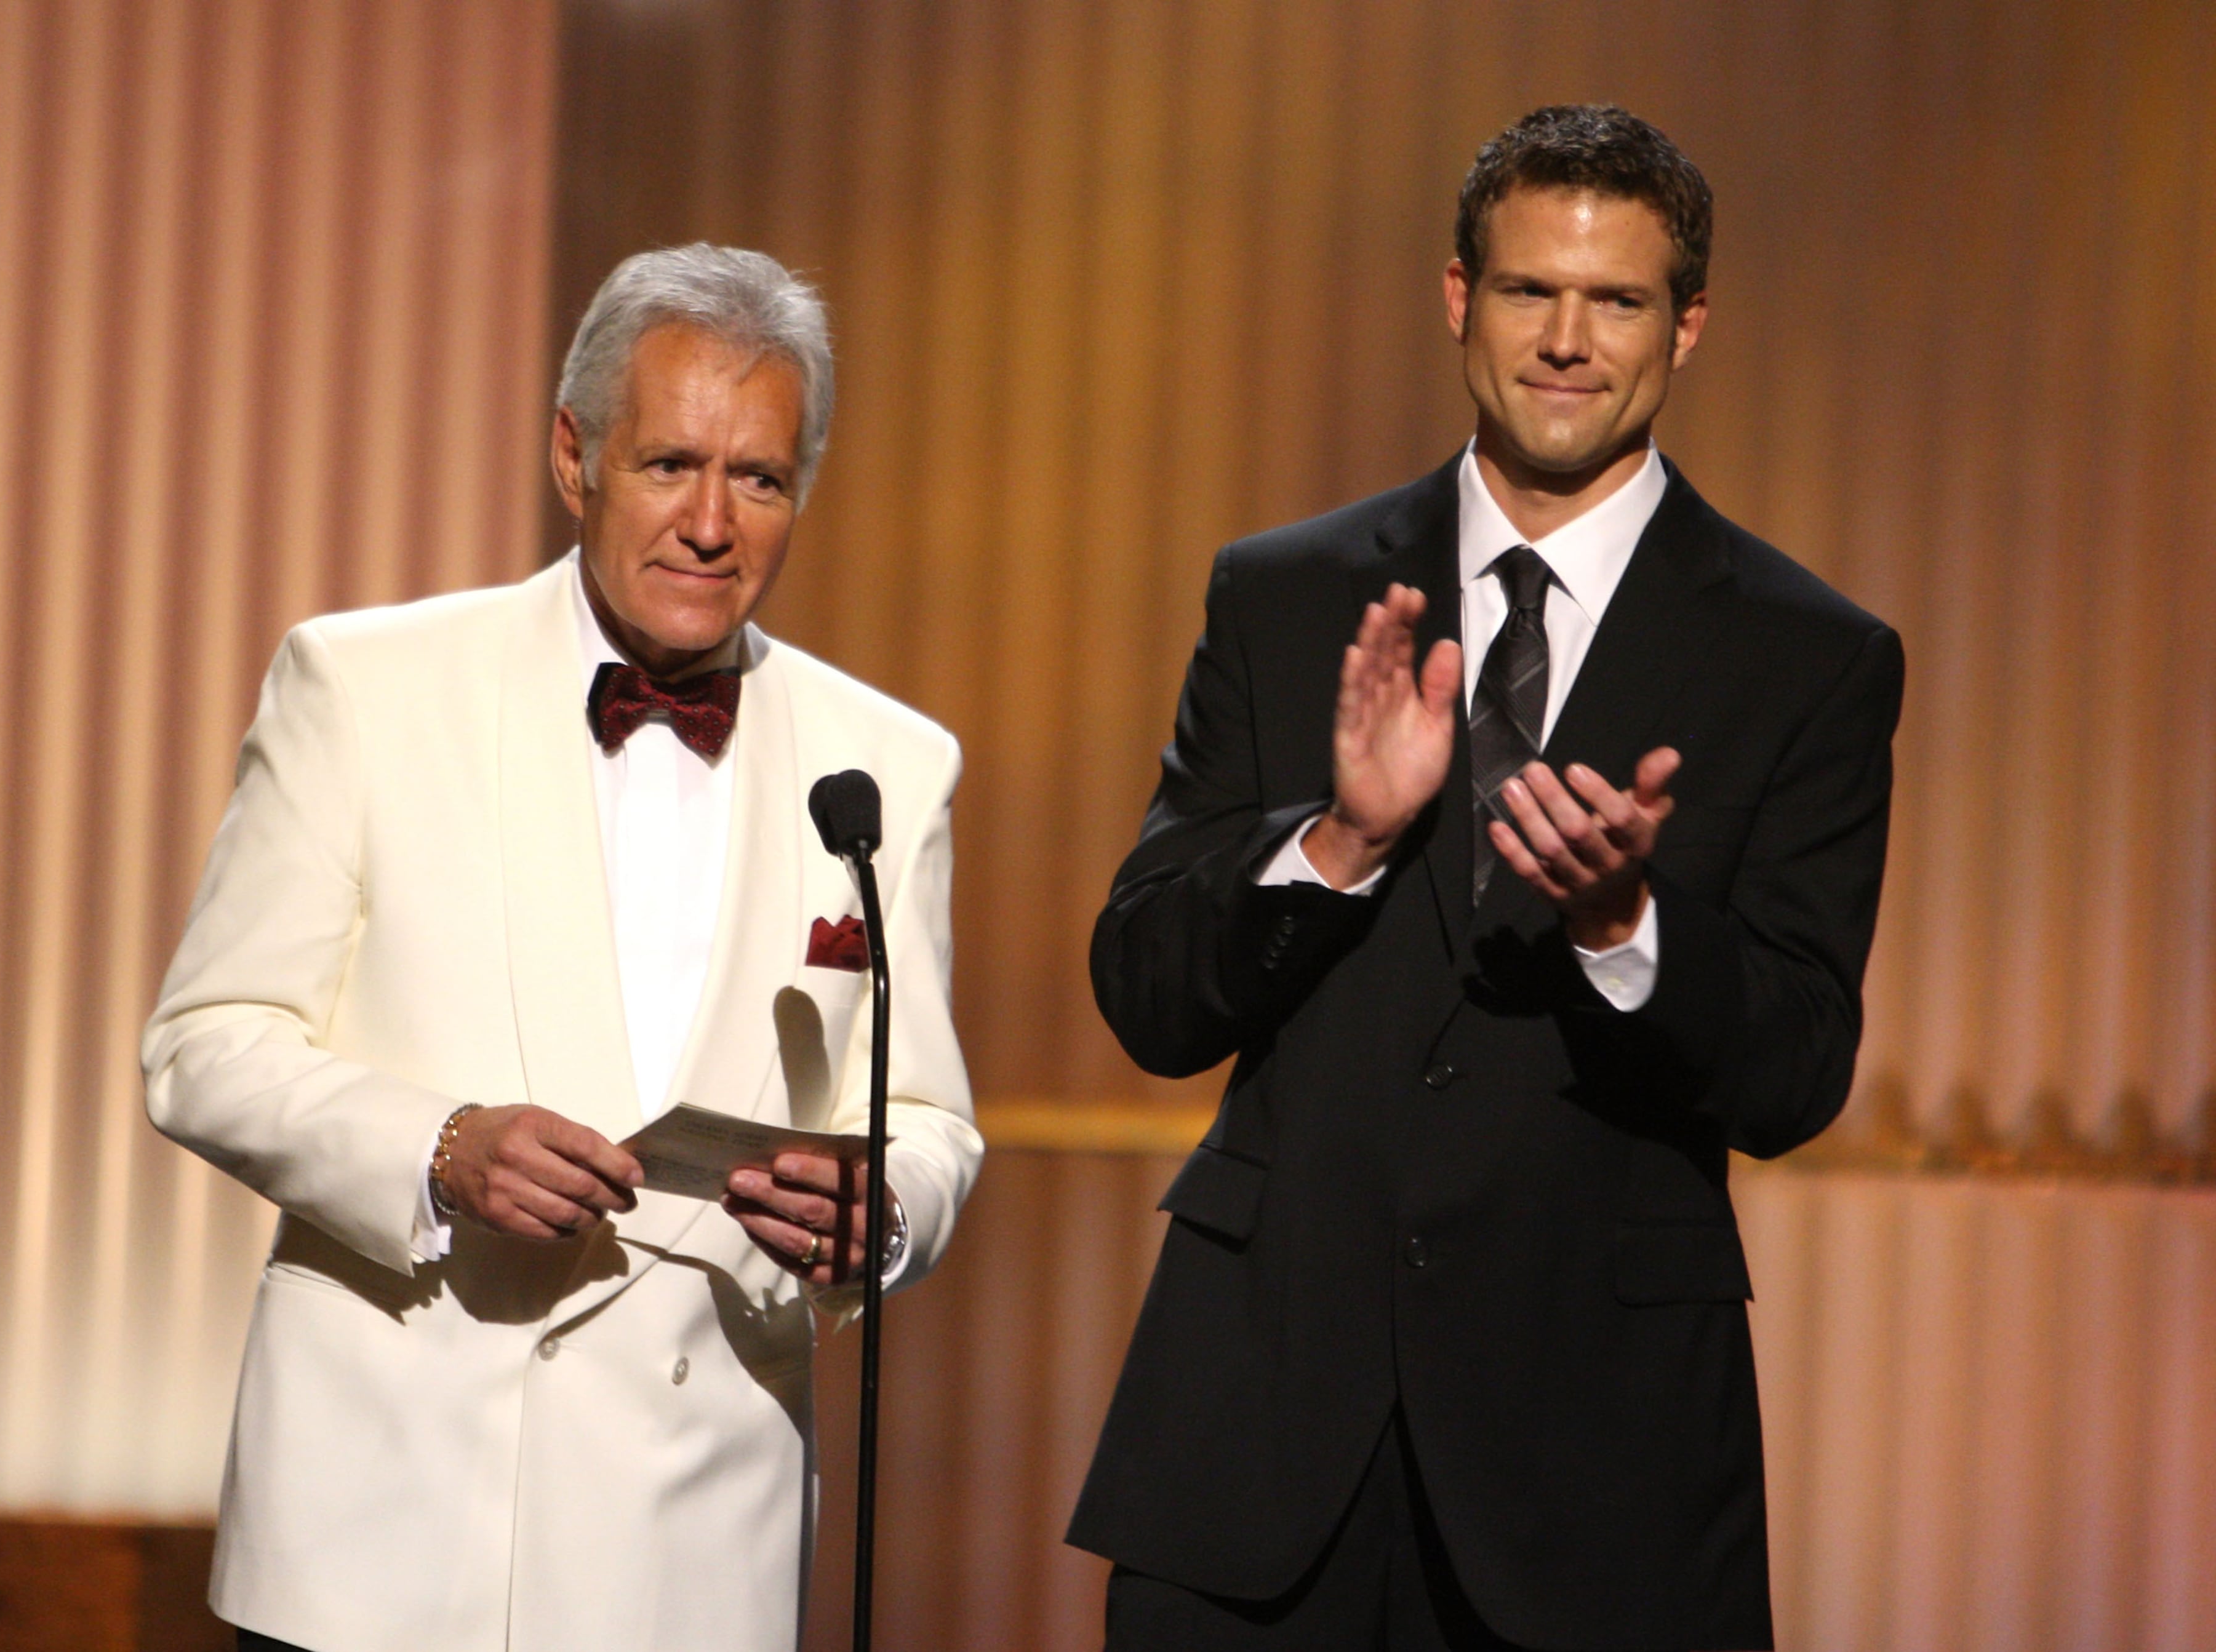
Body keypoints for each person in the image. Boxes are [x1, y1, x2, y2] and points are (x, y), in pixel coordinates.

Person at [1069, 106, 1902, 1651]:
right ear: (1460, 298)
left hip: (1601, 1482)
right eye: (1530, 292)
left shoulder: (1810, 655)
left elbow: (1797, 1066)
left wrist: (1629, 929)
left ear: (1690, 324)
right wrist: (1339, 843)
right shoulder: (1286, 590)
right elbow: (1148, 991)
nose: (1568, 341)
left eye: (1619, 300)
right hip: (1262, 1453)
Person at [144, 244, 982, 1652]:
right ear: (572, 454)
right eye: (669, 464)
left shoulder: (887, 762)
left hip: (699, 1547)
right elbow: (205, 1045)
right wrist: (439, 1144)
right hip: (388, 1539)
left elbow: (927, 1118)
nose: (712, 523)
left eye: (761, 477)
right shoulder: (367, 685)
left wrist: (883, 1210)